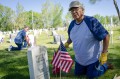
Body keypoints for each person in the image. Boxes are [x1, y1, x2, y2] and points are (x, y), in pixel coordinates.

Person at [64, 1, 113, 79]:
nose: (74, 11)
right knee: (78, 75)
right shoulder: (71, 24)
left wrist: (104, 54)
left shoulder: (91, 21)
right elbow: (71, 37)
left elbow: (106, 36)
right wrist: (67, 43)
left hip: (92, 60)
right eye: (72, 10)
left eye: (76, 9)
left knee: (91, 76)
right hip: (79, 60)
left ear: (82, 10)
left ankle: (105, 66)